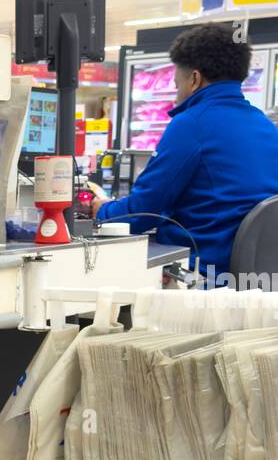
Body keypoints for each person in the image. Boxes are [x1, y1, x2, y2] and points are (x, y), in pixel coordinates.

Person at [93, 23, 278, 278]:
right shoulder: (266, 127)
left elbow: (144, 212)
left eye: (176, 83)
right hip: (256, 283)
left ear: (194, 79)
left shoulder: (191, 124)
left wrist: (101, 211)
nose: (176, 95)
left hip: (201, 276)